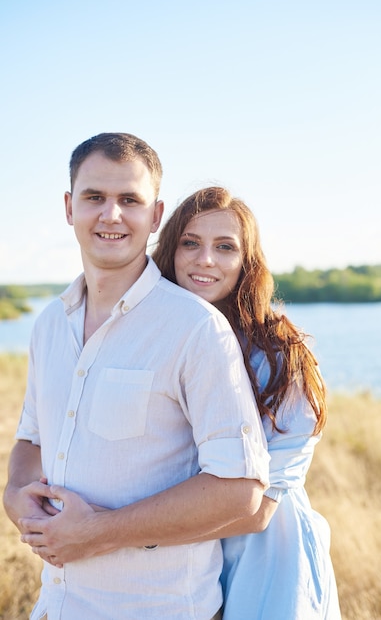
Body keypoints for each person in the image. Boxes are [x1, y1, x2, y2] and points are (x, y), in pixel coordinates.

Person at [3, 135, 270, 620]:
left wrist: (96, 532)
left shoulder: (196, 329)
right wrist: (17, 499)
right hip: (56, 606)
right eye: (94, 198)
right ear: (69, 206)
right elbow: (31, 439)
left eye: (130, 200)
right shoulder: (48, 325)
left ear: (156, 214)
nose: (111, 215)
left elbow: (241, 488)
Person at [152, 186, 342, 620]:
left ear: (246, 262)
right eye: (190, 243)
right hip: (178, 564)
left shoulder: (279, 357)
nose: (206, 260)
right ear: (170, 250)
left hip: (268, 557)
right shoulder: (155, 340)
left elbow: (257, 513)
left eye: (225, 247)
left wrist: (112, 533)